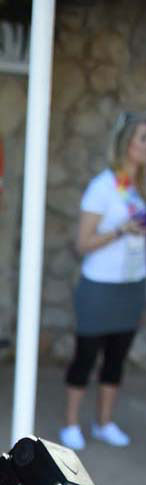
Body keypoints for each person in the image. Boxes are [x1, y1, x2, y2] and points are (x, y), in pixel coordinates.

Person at [59, 110, 146, 451]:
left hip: (132, 285)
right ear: (126, 143)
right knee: (86, 356)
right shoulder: (102, 187)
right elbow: (83, 244)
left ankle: (104, 423)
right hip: (99, 287)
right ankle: (70, 425)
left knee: (116, 357)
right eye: (143, 138)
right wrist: (121, 230)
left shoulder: (141, 188)